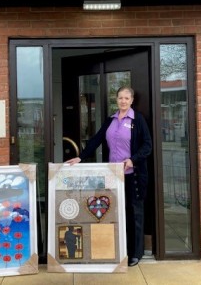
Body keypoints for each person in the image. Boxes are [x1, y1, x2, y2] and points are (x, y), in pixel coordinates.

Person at [66, 86, 152, 267]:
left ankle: (136, 253)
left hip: (131, 175)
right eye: (120, 98)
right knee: (115, 213)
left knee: (134, 214)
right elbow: (96, 140)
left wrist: (132, 160)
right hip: (112, 176)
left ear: (132, 100)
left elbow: (147, 145)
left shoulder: (138, 120)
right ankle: (120, 250)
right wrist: (81, 157)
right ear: (116, 99)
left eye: (126, 98)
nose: (123, 101)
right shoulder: (111, 120)